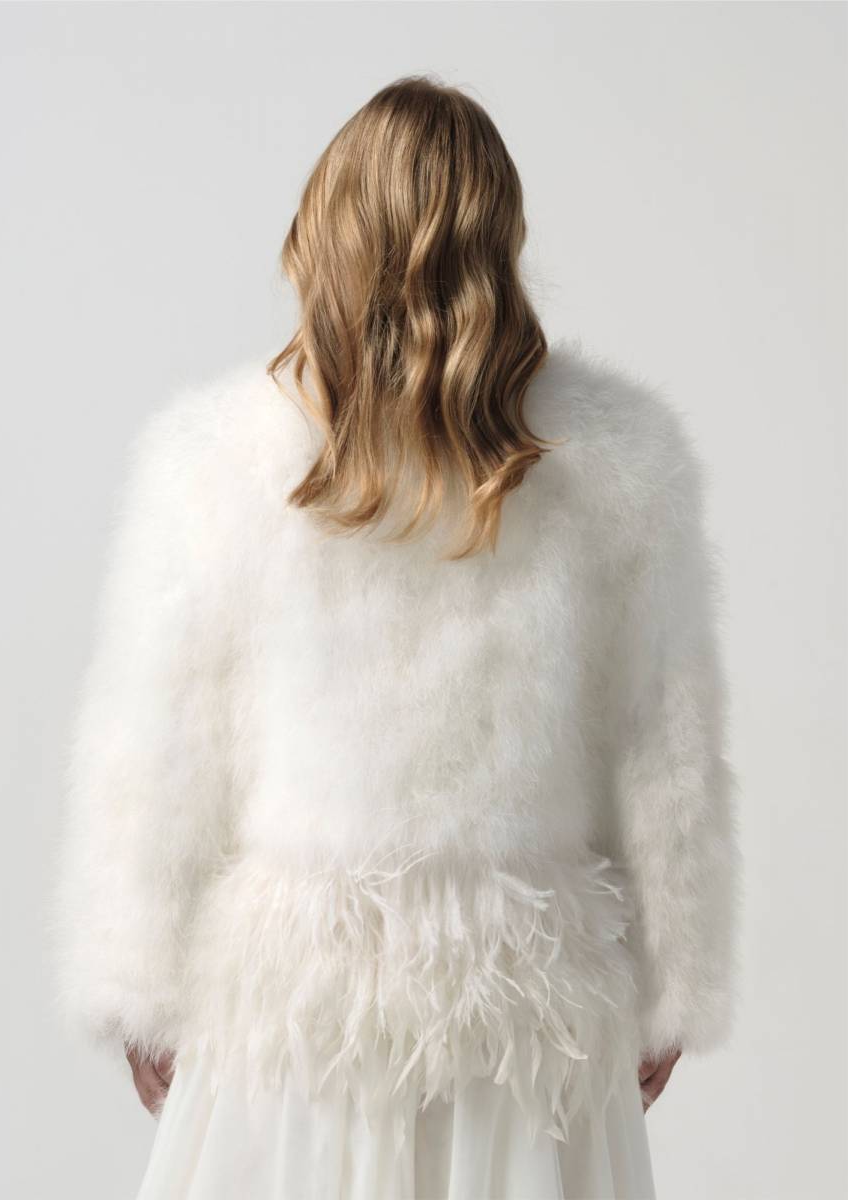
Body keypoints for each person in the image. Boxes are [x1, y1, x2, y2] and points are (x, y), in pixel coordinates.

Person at [52, 74, 741, 1200]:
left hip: (299, 1016)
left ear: (323, 223)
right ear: (502, 235)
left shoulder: (216, 456)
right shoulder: (619, 457)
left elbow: (159, 747)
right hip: (526, 1025)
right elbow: (662, 740)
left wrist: (139, 975)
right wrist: (674, 977)